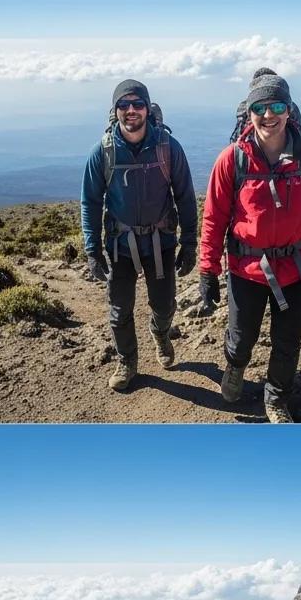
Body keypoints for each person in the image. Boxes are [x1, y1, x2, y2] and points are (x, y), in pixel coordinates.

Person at [198, 72, 301, 423]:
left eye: (277, 105)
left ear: (290, 110)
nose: (269, 115)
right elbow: (213, 219)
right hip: (245, 269)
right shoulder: (231, 160)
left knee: (287, 342)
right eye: (260, 107)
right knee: (241, 336)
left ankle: (276, 399)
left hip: (295, 269)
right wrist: (208, 270)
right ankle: (235, 367)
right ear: (248, 112)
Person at [81, 79, 198, 393]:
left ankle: (160, 334)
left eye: (137, 104)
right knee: (120, 311)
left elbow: (185, 196)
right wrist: (92, 250)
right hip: (120, 245)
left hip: (160, 243)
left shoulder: (168, 147)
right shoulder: (103, 152)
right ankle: (127, 361)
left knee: (165, 305)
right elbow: (90, 201)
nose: (131, 110)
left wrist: (189, 243)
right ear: (115, 110)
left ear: (148, 108)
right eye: (124, 105)